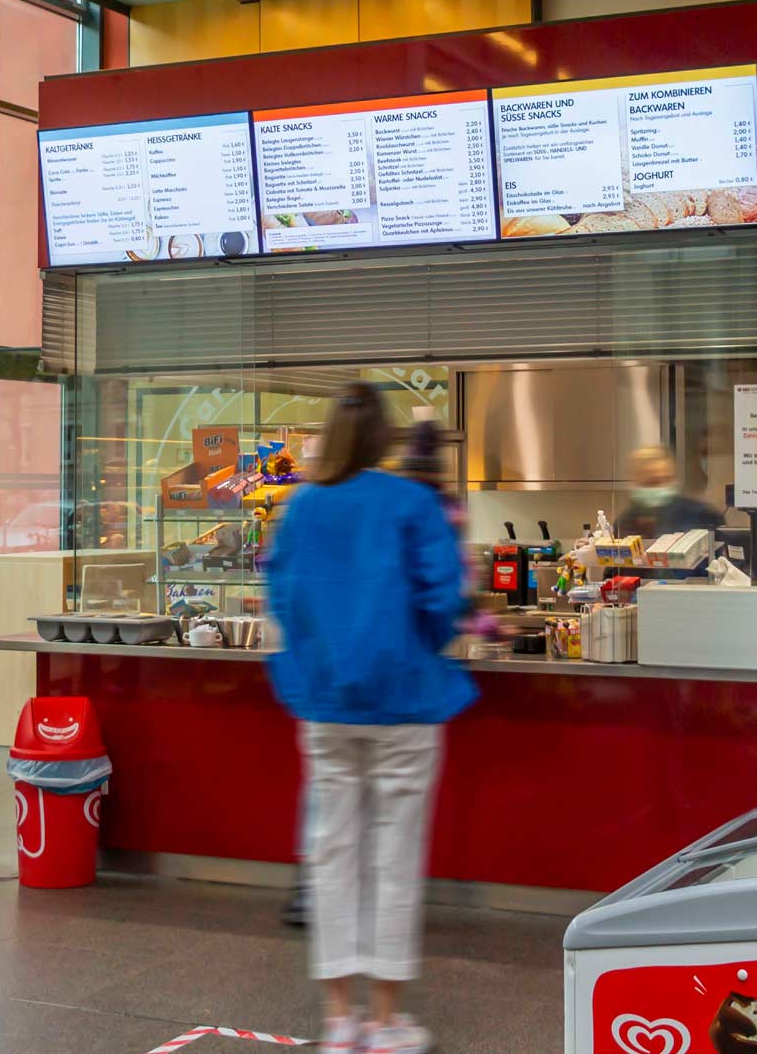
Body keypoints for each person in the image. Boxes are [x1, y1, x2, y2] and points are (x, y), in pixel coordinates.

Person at [264, 383, 472, 1054]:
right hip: (406, 699)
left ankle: (338, 1017)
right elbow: (445, 597)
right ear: (384, 438)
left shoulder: (302, 508)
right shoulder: (412, 502)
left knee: (333, 850)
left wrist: (321, 654)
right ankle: (385, 1021)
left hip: (326, 701)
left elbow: (284, 596)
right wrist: (416, 643)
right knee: (393, 851)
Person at [616, 443, 726, 540]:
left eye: (662, 480)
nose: (655, 488)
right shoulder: (624, 524)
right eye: (648, 483)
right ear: (635, 482)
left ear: (672, 479)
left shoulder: (702, 516)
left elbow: (725, 560)